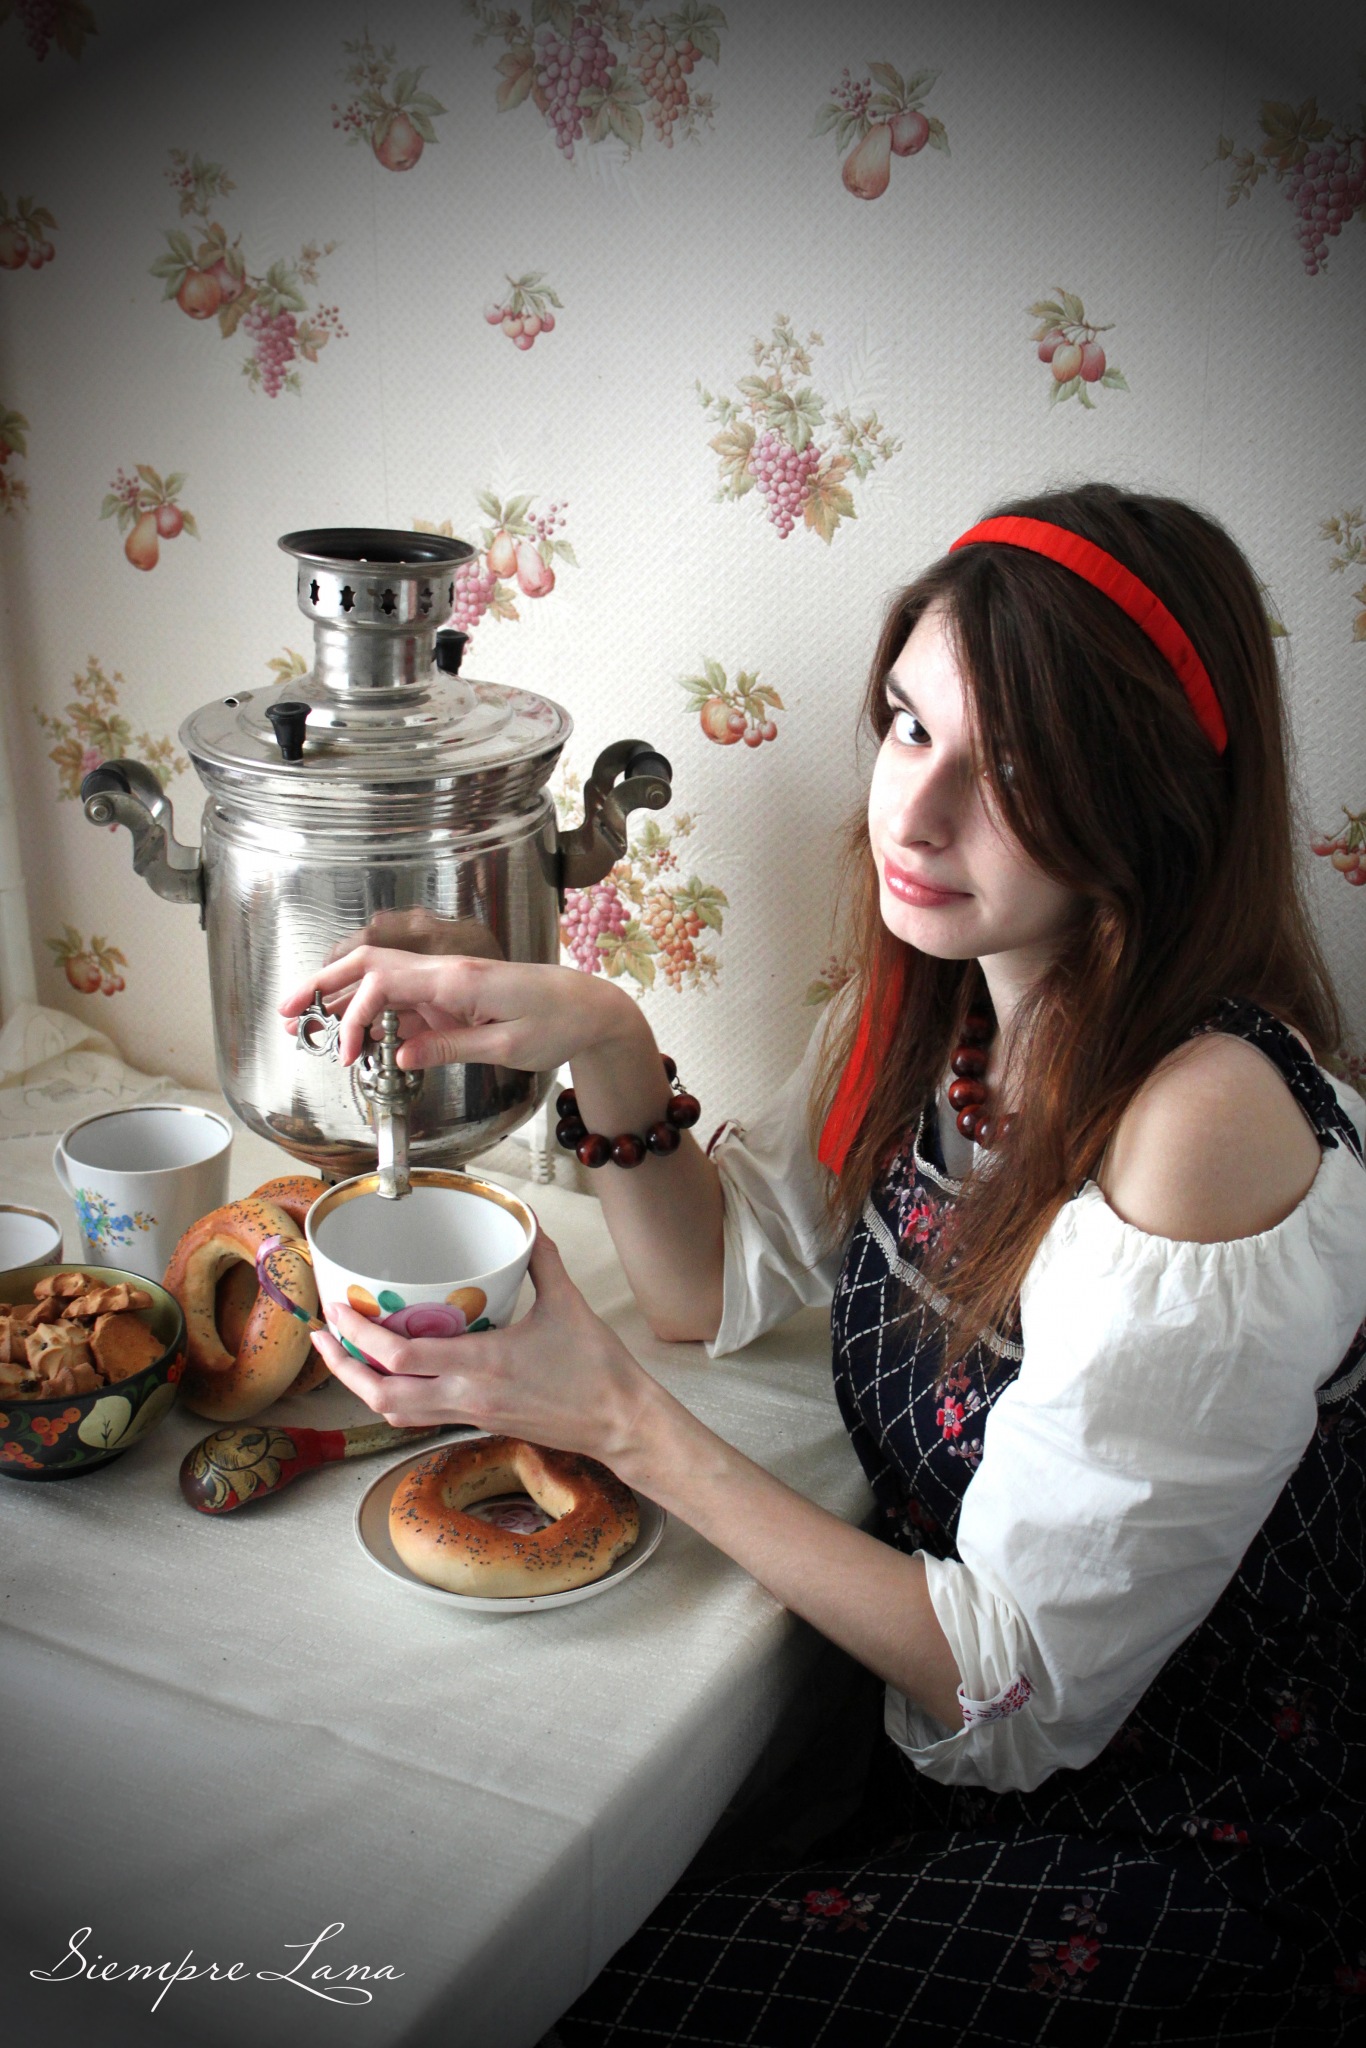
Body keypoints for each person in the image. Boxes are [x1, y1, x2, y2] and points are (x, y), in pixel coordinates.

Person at [280, 483, 1366, 2046]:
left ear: (1148, 802)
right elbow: (703, 1288)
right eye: (909, 727)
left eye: (1014, 772)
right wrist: (600, 1032)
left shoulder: (1200, 1124)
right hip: (960, 1772)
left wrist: (617, 1423)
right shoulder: (945, 1005)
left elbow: (1013, 1691)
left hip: (1191, 1836)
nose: (911, 816)